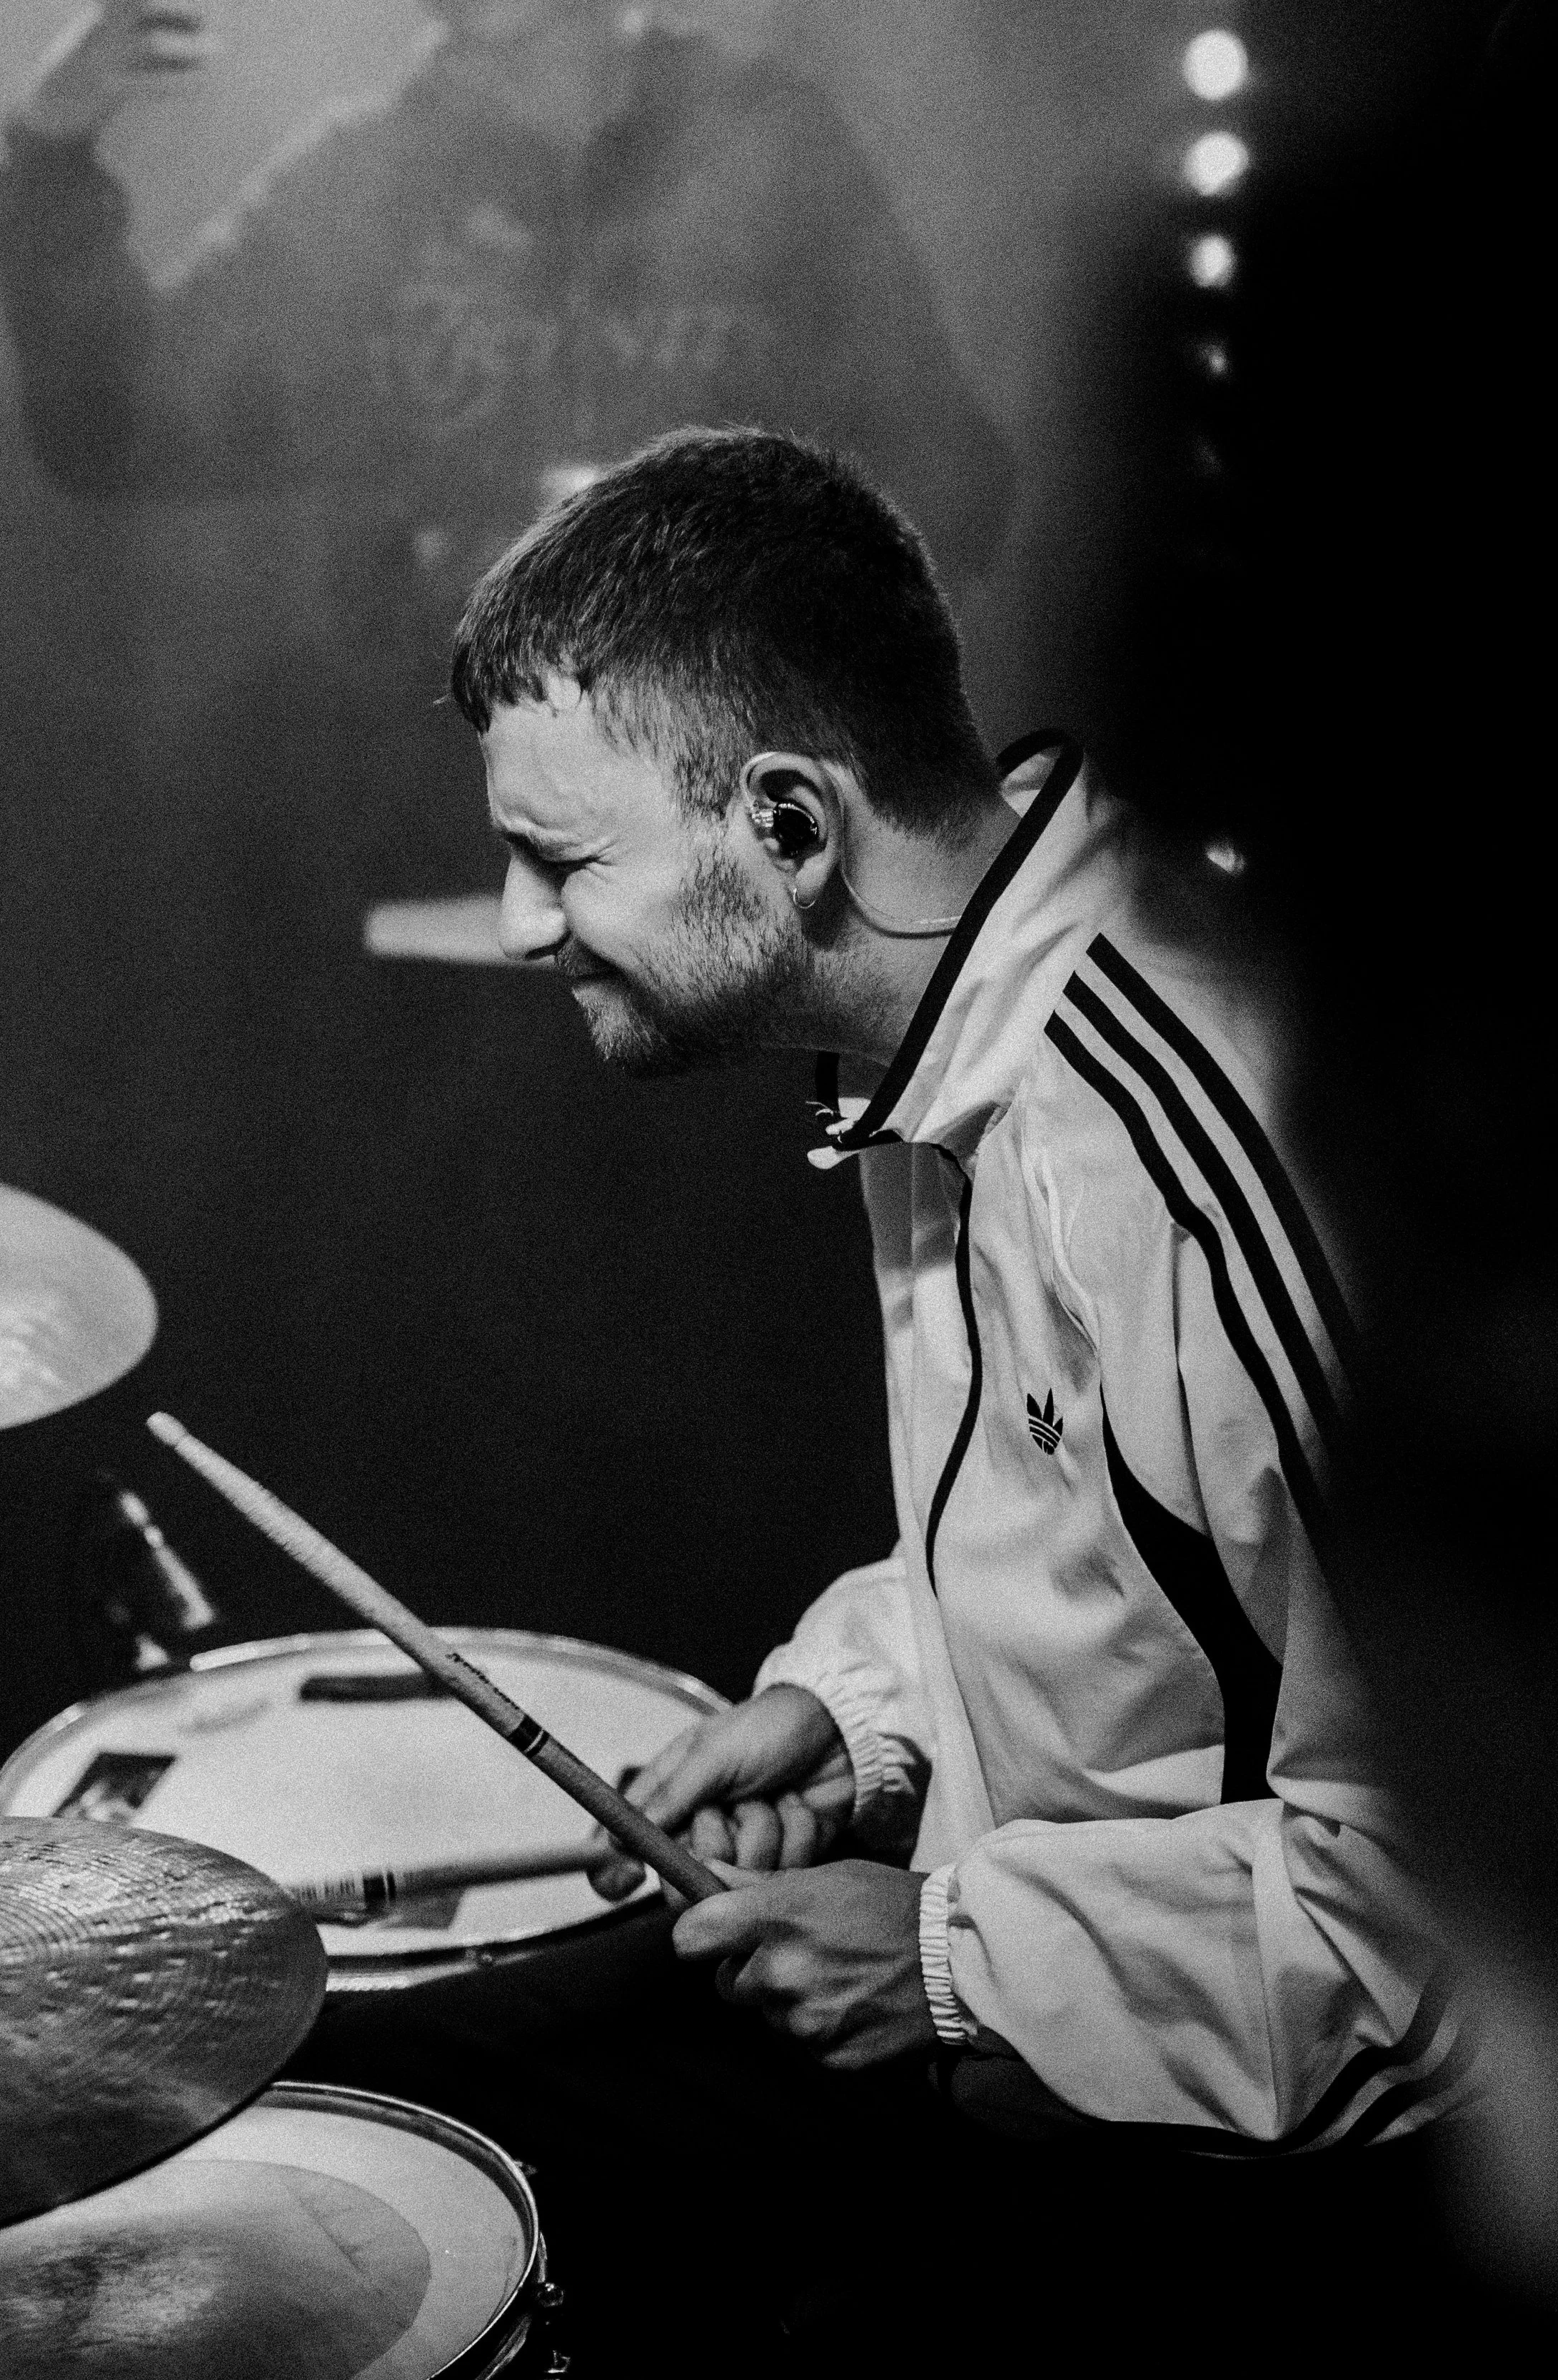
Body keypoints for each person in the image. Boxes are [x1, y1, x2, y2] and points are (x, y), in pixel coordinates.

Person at [449, 422, 1463, 2149]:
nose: (514, 926)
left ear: (785, 820)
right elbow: (1126, 1600)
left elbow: (1455, 1906)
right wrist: (857, 1711)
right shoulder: (952, 1031)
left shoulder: (1185, 1147)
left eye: (564, 859)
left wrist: (946, 1951)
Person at [0, 0, 1012, 612]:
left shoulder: (774, 144)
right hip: (436, 832)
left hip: (733, 843)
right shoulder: (357, 183)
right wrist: (50, 159)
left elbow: (953, 481)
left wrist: (730, 602)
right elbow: (114, 431)